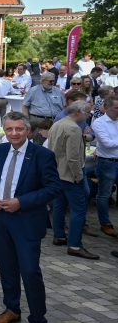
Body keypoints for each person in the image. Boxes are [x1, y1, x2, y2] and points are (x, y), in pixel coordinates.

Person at [0, 112, 61, 323]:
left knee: (29, 271)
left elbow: (54, 188)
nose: (14, 133)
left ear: (28, 130)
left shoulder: (42, 155)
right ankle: (11, 309)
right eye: (9, 129)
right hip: (0, 220)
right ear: (4, 131)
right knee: (7, 269)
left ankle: (38, 322)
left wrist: (22, 202)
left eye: (19, 129)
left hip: (26, 221)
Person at [47, 102, 98, 259]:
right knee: (79, 209)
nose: (89, 115)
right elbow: (73, 158)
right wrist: (78, 177)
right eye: (88, 112)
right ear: (78, 112)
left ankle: (59, 236)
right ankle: (75, 245)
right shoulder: (73, 128)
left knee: (59, 205)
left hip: (57, 173)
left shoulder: (58, 124)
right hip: (69, 175)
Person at [91, 95, 118, 238]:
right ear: (106, 108)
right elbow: (106, 144)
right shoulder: (99, 123)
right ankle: (105, 223)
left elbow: (111, 142)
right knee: (104, 194)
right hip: (107, 162)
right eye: (116, 108)